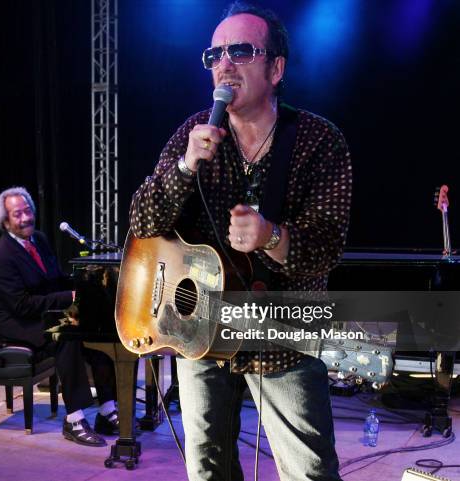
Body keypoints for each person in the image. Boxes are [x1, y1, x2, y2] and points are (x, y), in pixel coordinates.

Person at [129, 2, 351, 480]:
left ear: (276, 68)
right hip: (202, 333)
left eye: (241, 51)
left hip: (282, 336)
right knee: (207, 469)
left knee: (307, 471)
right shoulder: (194, 133)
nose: (223, 63)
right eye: (215, 54)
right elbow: (141, 221)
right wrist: (185, 168)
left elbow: (327, 246)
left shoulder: (317, 140)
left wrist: (271, 236)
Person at [0, 186, 119, 447]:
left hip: (44, 311)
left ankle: (106, 410)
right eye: (17, 214)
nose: (25, 218)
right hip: (16, 322)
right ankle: (74, 419)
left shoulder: (39, 239)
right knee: (67, 337)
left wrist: (84, 283)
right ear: (5, 221)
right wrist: (67, 297)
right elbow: (21, 305)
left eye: (27, 211)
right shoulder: (1, 256)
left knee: (97, 332)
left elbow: (55, 278)